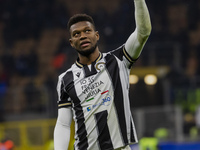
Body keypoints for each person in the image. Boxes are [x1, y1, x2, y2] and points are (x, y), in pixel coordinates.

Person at [54, 0, 151, 149]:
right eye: (76, 34)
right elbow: (63, 124)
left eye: (87, 31)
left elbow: (143, 31)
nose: (82, 36)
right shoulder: (65, 79)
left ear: (97, 35)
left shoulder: (119, 60)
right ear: (71, 42)